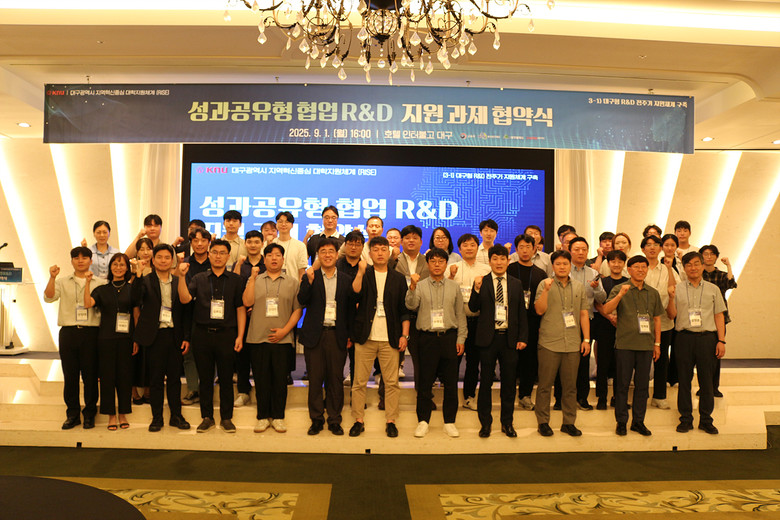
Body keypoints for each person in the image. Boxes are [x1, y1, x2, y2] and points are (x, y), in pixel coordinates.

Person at [177, 239, 247, 433]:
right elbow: (185, 299)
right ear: (209, 255)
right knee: (205, 379)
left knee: (226, 379)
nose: (218, 256)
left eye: (222, 253)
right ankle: (207, 417)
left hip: (227, 335)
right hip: (202, 334)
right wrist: (181, 277)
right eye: (214, 252)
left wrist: (240, 336)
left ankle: (226, 418)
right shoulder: (198, 278)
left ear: (228, 256)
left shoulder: (235, 280)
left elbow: (240, 309)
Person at [348, 236, 410, 438]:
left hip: (390, 338)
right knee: (359, 382)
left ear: (389, 253)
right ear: (370, 253)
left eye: (384, 249)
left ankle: (391, 421)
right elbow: (354, 295)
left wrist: (404, 335)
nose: (380, 253)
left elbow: (404, 310)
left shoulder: (398, 278)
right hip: (365, 337)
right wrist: (360, 272)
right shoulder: (364, 274)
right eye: (376, 249)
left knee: (391, 383)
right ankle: (358, 420)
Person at [468, 245, 528, 438]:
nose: (499, 262)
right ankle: (485, 424)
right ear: (490, 261)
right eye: (495, 259)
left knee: (509, 384)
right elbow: (473, 308)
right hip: (488, 339)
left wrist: (522, 337)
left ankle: (507, 423)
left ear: (508, 261)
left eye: (503, 259)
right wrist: (476, 289)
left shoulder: (516, 283)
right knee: (485, 383)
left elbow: (521, 313)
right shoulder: (482, 281)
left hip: (509, 339)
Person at [600, 255, 665, 436]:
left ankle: (638, 421)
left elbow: (657, 319)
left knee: (642, 386)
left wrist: (657, 344)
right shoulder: (620, 288)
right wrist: (620, 295)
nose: (640, 270)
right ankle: (621, 421)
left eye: (644, 267)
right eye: (636, 267)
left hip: (646, 345)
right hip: (625, 344)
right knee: (622, 385)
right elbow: (606, 310)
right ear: (628, 270)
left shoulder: (653, 292)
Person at [406, 248, 467, 438]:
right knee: (424, 383)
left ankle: (449, 422)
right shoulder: (420, 285)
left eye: (441, 261)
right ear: (428, 264)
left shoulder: (454, 287)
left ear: (446, 264)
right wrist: (412, 287)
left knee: (451, 383)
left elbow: (460, 314)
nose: (437, 264)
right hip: (427, 339)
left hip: (449, 338)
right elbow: (410, 305)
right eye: (433, 261)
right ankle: (423, 421)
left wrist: (461, 338)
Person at [43, 246, 106, 430]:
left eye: (84, 257)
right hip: (68, 332)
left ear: (91, 261)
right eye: (76, 258)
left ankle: (89, 414)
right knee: (70, 376)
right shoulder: (62, 281)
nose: (80, 261)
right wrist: (52, 277)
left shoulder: (100, 283)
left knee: (90, 376)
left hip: (91, 333)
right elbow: (49, 297)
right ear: (71, 261)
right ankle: (72, 414)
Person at [243, 242, 303, 434]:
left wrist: (284, 331)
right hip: (257, 338)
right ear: (265, 259)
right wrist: (252, 279)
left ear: (283, 259)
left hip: (283, 339)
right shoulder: (256, 279)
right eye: (269, 255)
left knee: (279, 380)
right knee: (261, 380)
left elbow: (297, 310)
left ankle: (278, 417)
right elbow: (247, 302)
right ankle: (262, 417)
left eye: (277, 255)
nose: (274, 258)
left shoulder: (292, 282)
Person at [132, 244, 192, 432]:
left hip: (174, 335)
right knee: (156, 380)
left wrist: (186, 337)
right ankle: (157, 418)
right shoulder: (146, 280)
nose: (163, 260)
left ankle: (176, 416)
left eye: (167, 257)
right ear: (153, 259)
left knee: (174, 379)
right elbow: (134, 300)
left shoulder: (178, 280)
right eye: (159, 257)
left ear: (172, 260)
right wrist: (138, 275)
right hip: (154, 336)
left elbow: (185, 311)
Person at [298, 238, 355, 435]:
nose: (328, 255)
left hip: (337, 335)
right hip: (315, 335)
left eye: (331, 251)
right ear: (317, 256)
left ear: (337, 254)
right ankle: (316, 419)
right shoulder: (311, 276)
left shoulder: (346, 279)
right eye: (323, 251)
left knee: (335, 379)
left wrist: (349, 335)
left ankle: (334, 419)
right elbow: (301, 300)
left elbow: (350, 310)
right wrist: (308, 282)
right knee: (315, 379)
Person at [667, 251, 727, 435]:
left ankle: (706, 420)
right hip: (683, 338)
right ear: (684, 268)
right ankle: (685, 419)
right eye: (688, 265)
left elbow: (719, 316)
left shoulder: (713, 289)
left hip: (707, 339)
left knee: (706, 381)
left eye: (696, 264)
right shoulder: (677, 289)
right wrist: (671, 298)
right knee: (684, 380)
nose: (693, 268)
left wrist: (721, 340)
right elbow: (671, 315)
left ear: (702, 265)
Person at [534, 250, 590, 437]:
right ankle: (543, 422)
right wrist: (546, 291)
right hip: (549, 342)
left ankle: (568, 422)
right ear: (553, 266)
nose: (562, 267)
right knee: (545, 385)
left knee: (570, 386)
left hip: (573, 343)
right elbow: (539, 310)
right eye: (558, 264)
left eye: (565, 263)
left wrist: (586, 339)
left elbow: (584, 314)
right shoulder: (545, 284)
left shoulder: (579, 286)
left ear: (570, 265)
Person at [83, 253, 136, 430]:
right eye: (115, 264)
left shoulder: (132, 289)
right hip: (105, 338)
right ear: (110, 267)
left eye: (122, 265)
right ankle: (111, 416)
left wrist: (136, 338)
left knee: (125, 377)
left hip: (126, 338)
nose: (118, 268)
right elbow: (88, 304)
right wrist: (87, 283)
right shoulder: (102, 289)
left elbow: (137, 314)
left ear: (127, 268)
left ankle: (123, 413)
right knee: (107, 378)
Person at [561, 237, 606, 411]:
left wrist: (597, 288)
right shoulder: (563, 269)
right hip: (566, 323)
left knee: (584, 361)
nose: (580, 253)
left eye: (584, 249)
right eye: (577, 249)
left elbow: (601, 299)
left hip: (588, 323)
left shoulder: (593, 273)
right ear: (570, 251)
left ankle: (582, 397)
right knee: (564, 361)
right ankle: (561, 398)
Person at [448, 233, 491, 410]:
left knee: (473, 361)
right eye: (465, 245)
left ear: (477, 247)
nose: (469, 248)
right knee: (453, 361)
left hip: (478, 321)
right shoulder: (452, 268)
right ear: (459, 249)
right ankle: (450, 397)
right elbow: (445, 292)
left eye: (472, 245)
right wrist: (451, 277)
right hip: (457, 321)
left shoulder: (486, 269)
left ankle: (469, 397)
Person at [506, 234, 547, 411]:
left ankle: (525, 395)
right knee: (510, 360)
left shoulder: (540, 273)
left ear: (534, 249)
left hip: (532, 321)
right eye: (521, 247)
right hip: (510, 320)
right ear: (516, 249)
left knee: (530, 361)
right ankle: (508, 396)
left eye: (528, 247)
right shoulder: (509, 269)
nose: (524, 250)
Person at [641, 234, 680, 410]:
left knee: (662, 360)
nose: (652, 247)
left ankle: (659, 396)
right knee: (642, 360)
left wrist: (670, 269)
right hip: (641, 322)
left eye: (656, 244)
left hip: (664, 321)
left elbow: (673, 289)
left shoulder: (667, 268)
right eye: (648, 244)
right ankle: (641, 395)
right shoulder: (638, 266)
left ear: (660, 248)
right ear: (643, 249)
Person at [232, 229, 266, 408]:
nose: (253, 245)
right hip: (242, 315)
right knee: (242, 355)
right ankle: (243, 391)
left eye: (256, 242)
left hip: (262, 315)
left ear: (262, 244)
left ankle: (262, 391)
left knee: (260, 356)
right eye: (250, 242)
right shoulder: (240, 263)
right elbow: (234, 287)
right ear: (245, 244)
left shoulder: (267, 263)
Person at [180, 226, 212, 406]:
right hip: (188, 312)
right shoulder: (185, 264)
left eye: (203, 240)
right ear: (191, 243)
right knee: (189, 352)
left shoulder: (215, 261)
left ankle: (206, 390)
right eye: (195, 241)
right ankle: (193, 389)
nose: (199, 244)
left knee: (210, 353)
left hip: (211, 313)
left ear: (208, 242)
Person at [700, 244, 737, 398]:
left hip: (719, 319)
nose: (709, 257)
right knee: (701, 355)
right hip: (701, 319)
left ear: (716, 257)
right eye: (705, 254)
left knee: (716, 353)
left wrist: (728, 265)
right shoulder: (698, 275)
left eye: (712, 254)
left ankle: (714, 387)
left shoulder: (721, 275)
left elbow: (731, 284)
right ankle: (703, 387)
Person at [592, 250, 628, 409]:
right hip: (604, 326)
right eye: (613, 261)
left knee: (621, 365)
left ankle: (618, 398)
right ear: (608, 263)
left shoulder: (629, 282)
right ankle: (601, 398)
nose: (616, 264)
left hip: (623, 328)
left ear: (624, 264)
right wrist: (610, 317)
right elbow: (597, 303)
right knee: (603, 363)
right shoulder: (602, 281)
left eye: (620, 261)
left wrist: (619, 319)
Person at [336, 229, 365, 384]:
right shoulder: (336, 266)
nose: (353, 247)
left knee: (357, 362)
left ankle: (356, 394)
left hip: (359, 319)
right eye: (350, 244)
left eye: (357, 244)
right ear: (345, 245)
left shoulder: (367, 268)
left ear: (362, 247)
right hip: (338, 317)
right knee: (335, 362)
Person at [272, 211, 308, 281]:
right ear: (276, 225)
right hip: (272, 285)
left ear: (292, 225)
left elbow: (302, 273)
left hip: (293, 285)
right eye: (280, 222)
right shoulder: (270, 244)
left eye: (287, 222)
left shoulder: (300, 246)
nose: (283, 224)